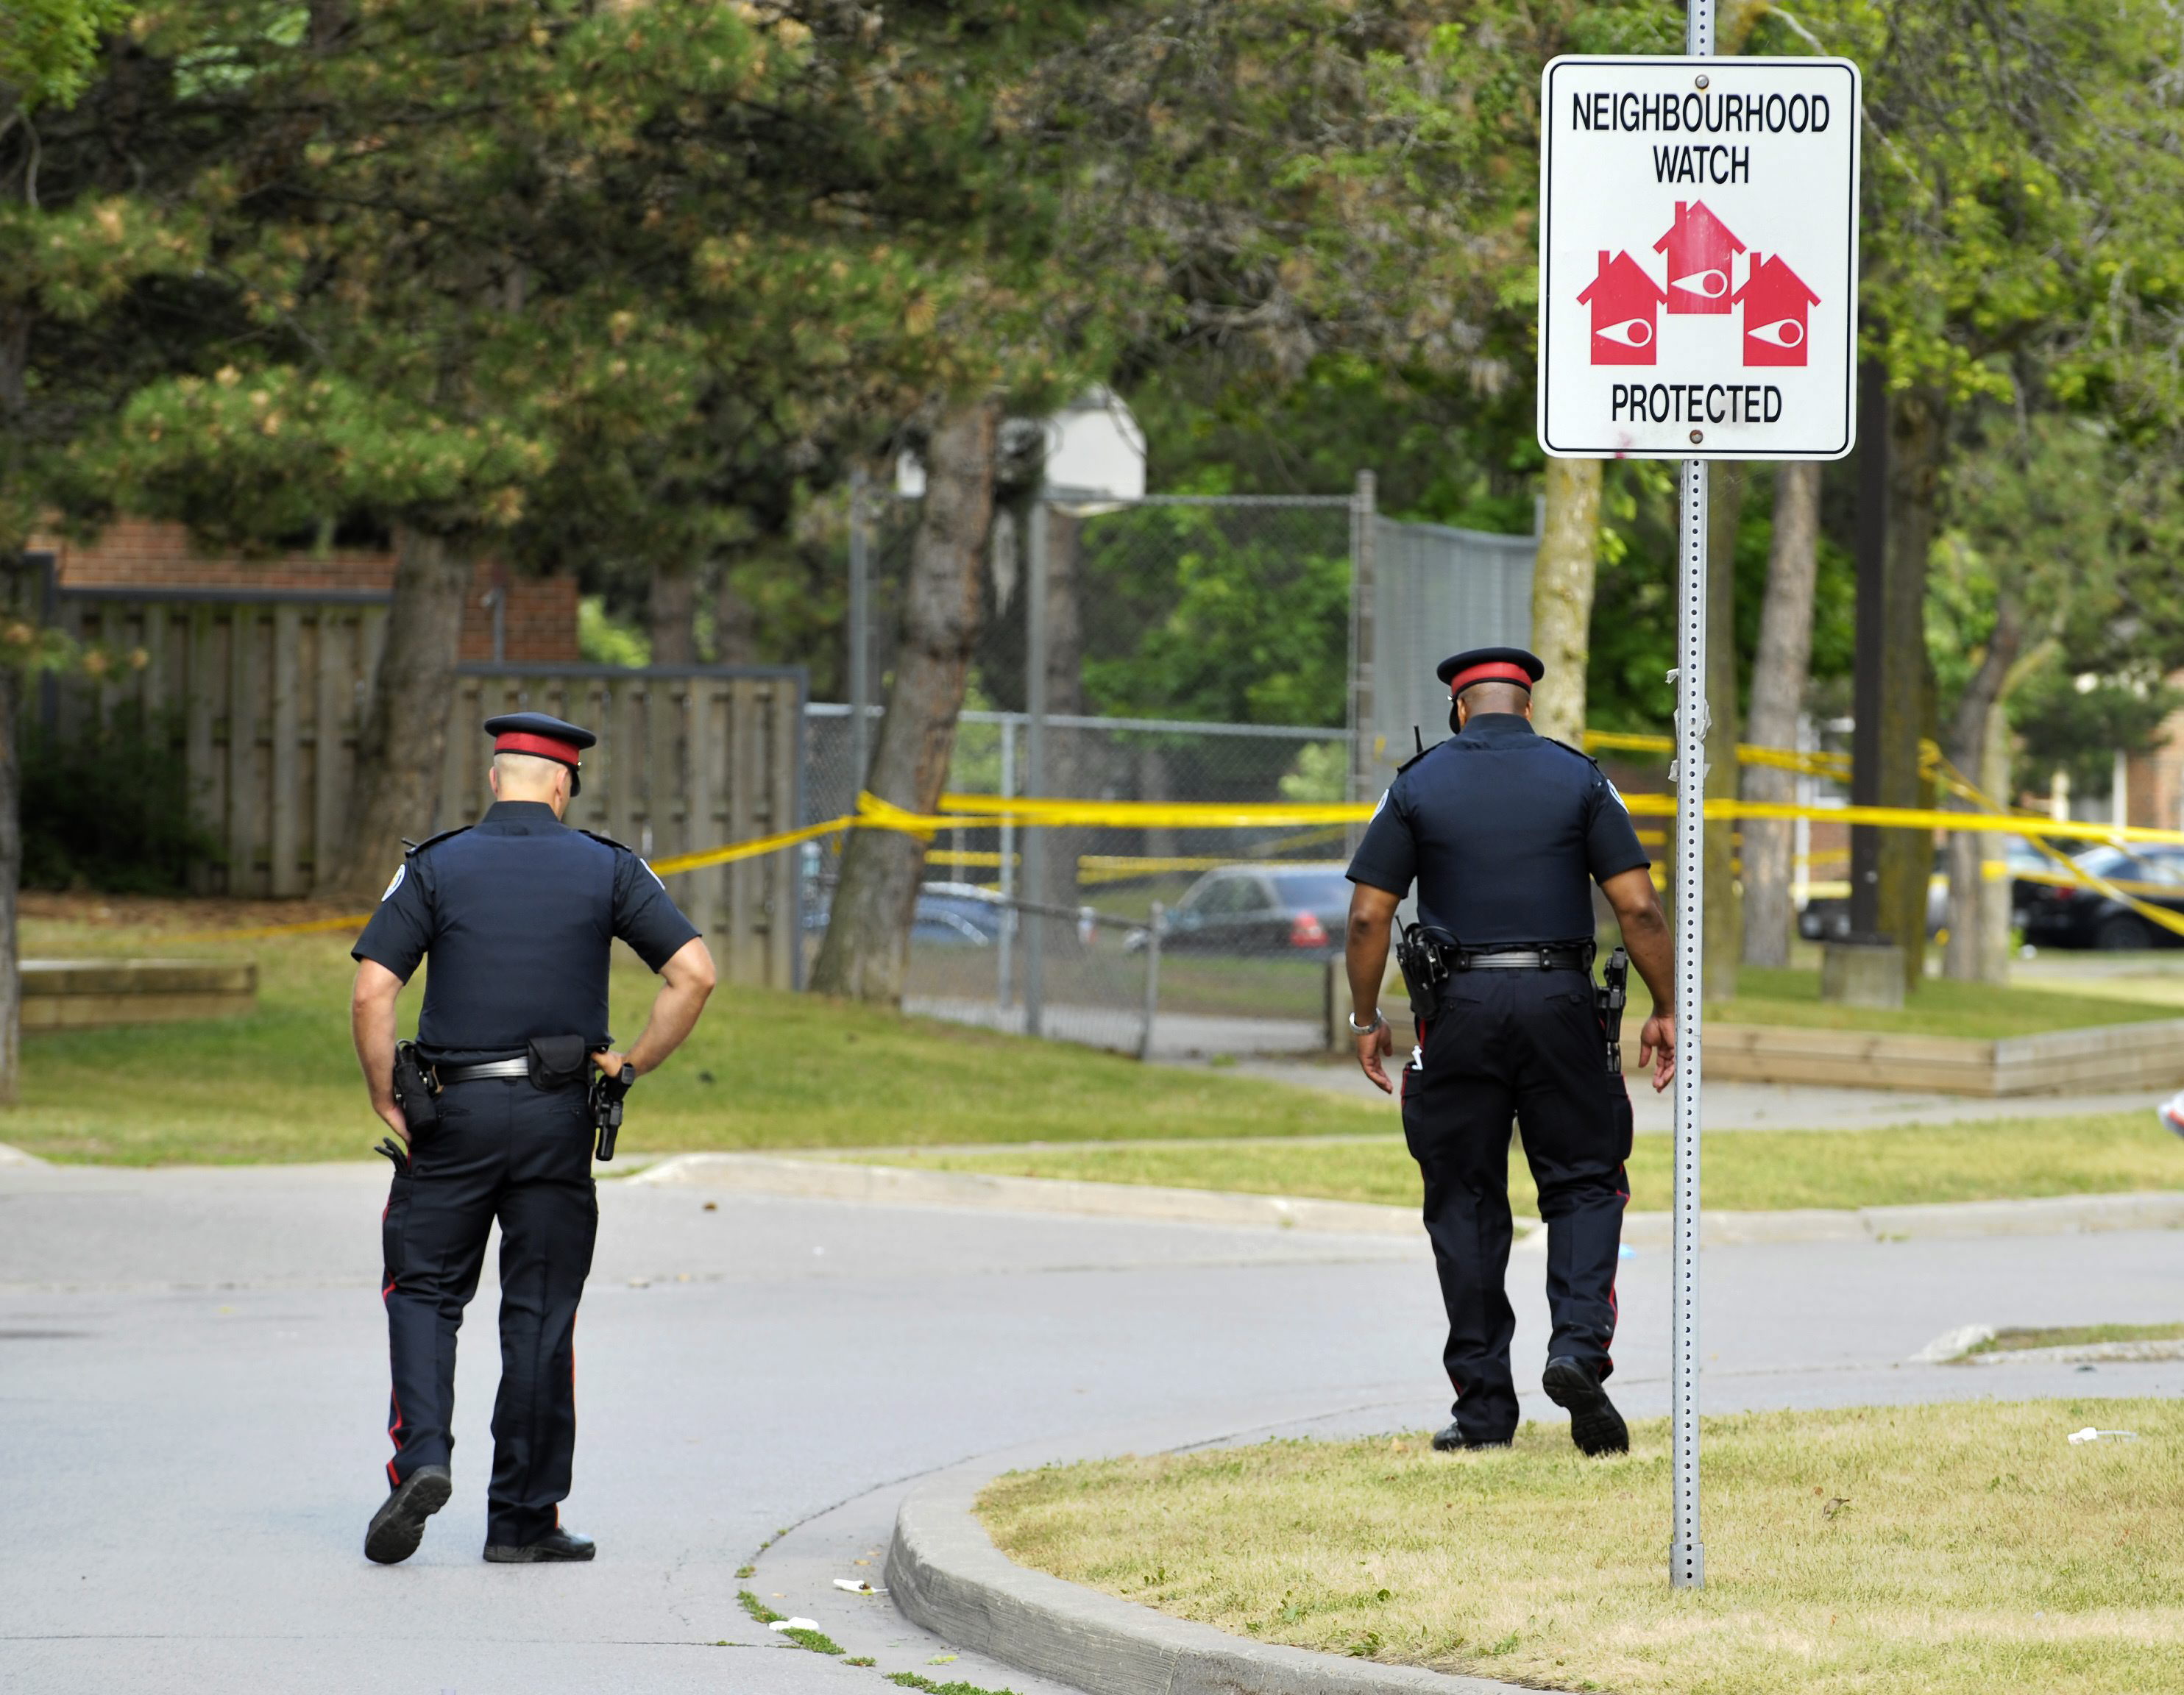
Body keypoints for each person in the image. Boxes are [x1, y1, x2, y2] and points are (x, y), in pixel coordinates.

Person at [350, 711, 715, 1565]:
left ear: (493, 779)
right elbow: (693, 974)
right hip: (557, 1118)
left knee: (425, 1292)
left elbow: (373, 993)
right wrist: (629, 1066)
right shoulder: (609, 869)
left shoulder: (435, 867)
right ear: (563, 785)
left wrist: (382, 1095)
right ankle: (522, 1520)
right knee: (542, 1315)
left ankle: (423, 1459)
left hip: (452, 1116)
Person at [1343, 647, 1676, 1456]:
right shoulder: (1581, 780)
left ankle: (1484, 1414)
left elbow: (1365, 917)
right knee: (1587, 1182)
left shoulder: (1416, 784)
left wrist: (1364, 1018)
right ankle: (1576, 1351)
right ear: (1527, 707)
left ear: (1459, 710)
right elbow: (1636, 909)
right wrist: (1667, 1006)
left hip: (1453, 1011)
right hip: (1563, 1007)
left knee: (1463, 1201)